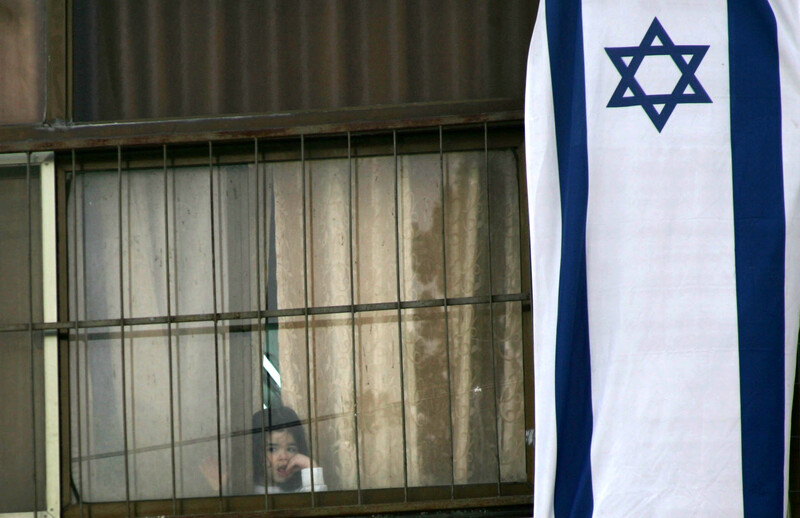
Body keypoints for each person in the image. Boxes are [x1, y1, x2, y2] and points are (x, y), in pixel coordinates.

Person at [252, 405, 326, 494]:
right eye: (272, 449)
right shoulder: (245, 490)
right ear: (257, 452)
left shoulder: (302, 490)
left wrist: (310, 468)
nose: (284, 457)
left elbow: (317, 503)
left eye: (290, 449)